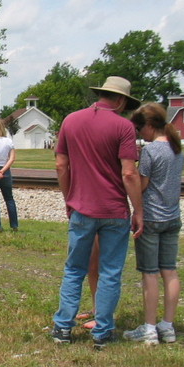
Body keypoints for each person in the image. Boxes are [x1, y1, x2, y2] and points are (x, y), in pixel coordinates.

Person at [51, 76, 144, 349]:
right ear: (122, 100)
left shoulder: (71, 121)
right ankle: (103, 331)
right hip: (114, 210)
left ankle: (63, 327)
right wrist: (138, 210)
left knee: (74, 269)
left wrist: (69, 198)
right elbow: (129, 172)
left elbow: (61, 165)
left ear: (102, 95)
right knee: (111, 271)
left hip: (81, 207)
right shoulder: (124, 127)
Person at [123, 103, 184, 345]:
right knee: (169, 270)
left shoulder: (150, 152)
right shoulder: (177, 149)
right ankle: (167, 326)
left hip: (151, 217)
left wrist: (134, 202)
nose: (139, 132)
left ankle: (149, 328)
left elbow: (143, 185)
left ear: (149, 126)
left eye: (140, 128)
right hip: (172, 216)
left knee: (149, 273)